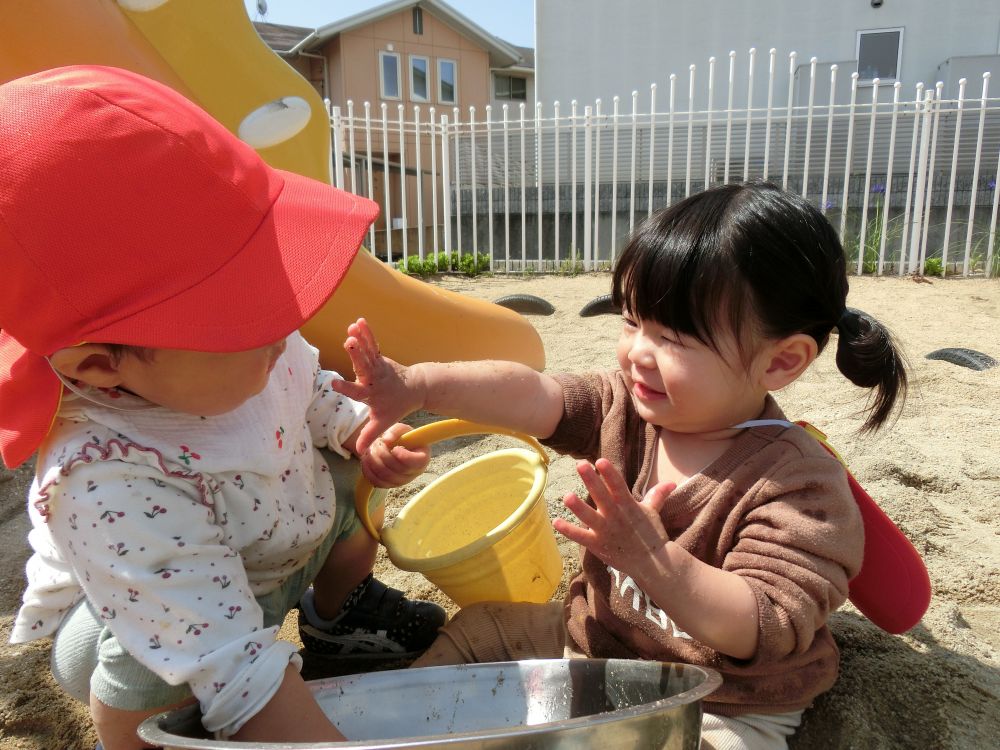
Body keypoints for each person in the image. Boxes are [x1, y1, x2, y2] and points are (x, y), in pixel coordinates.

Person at [330, 182, 909, 750]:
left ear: (781, 361)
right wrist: (420, 384)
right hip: (599, 645)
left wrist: (656, 561)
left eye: (674, 337)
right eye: (632, 321)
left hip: (718, 699)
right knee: (482, 629)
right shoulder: (625, 408)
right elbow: (532, 394)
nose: (636, 351)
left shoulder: (796, 484)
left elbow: (763, 626)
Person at [0, 66, 446, 748]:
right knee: (139, 671)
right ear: (98, 365)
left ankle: (338, 614)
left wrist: (358, 432)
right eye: (240, 312)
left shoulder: (245, 351)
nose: (286, 320)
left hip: (275, 537)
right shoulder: (104, 479)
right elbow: (232, 664)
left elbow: (310, 387)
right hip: (159, 605)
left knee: (347, 482)